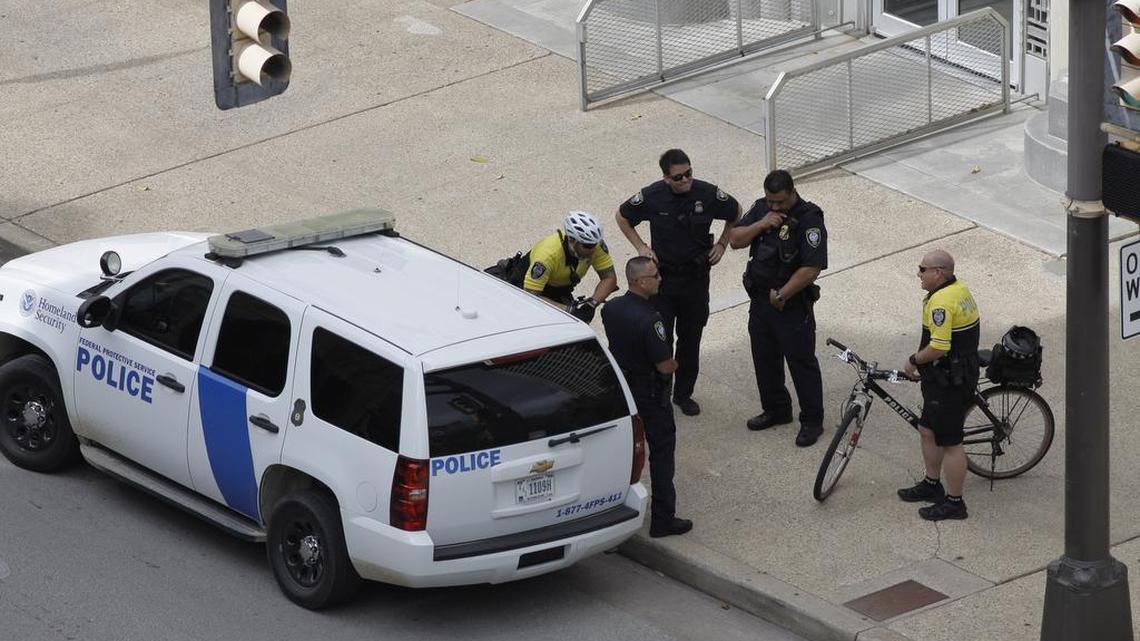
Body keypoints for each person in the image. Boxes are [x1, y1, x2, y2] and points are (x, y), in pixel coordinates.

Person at [616, 149, 741, 416]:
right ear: (665, 178)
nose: (685, 181)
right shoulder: (653, 196)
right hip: (663, 282)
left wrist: (722, 243)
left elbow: (736, 211)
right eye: (678, 177)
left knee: (690, 339)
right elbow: (622, 216)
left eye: (689, 174)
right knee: (660, 341)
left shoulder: (706, 194)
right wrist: (640, 246)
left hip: (695, 280)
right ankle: (660, 395)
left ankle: (683, 394)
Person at [729, 169, 827, 447]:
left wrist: (784, 294)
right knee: (764, 357)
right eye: (771, 201)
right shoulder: (762, 209)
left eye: (780, 202)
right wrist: (762, 223)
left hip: (791, 305)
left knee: (801, 362)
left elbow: (811, 268)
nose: (775, 207)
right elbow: (736, 239)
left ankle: (812, 420)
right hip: (760, 301)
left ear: (792, 192)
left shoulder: (809, 219)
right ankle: (776, 409)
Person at [601, 257, 692, 538]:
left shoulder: (612, 308)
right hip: (651, 396)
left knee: (624, 451)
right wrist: (679, 365)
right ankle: (663, 519)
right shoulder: (651, 320)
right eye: (654, 276)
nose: (659, 279)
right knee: (662, 454)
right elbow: (664, 364)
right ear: (641, 282)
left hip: (623, 391)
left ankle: (612, 512)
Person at [898, 249, 980, 521]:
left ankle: (955, 503)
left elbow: (939, 347)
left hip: (949, 380)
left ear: (938, 273)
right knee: (927, 429)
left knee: (951, 442)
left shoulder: (941, 303)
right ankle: (932, 484)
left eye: (922, 269)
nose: (918, 274)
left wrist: (913, 360)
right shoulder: (958, 288)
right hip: (946, 376)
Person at [523, 211, 619, 322]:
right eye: (587, 246)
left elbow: (609, 277)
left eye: (594, 245)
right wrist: (569, 310)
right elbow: (530, 296)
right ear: (572, 240)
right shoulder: (547, 256)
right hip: (526, 288)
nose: (593, 250)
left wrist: (591, 304)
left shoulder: (594, 245)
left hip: (558, 288)